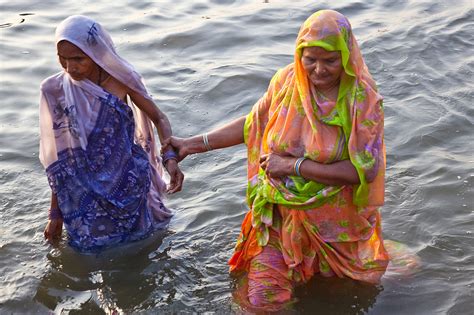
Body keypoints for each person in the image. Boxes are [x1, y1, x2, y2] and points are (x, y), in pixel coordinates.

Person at [164, 9, 389, 308]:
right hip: (279, 216)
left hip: (335, 225)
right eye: (310, 59)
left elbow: (364, 171)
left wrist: (294, 166)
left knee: (340, 300)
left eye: (330, 61)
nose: (319, 70)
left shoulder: (362, 100)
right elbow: (254, 123)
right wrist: (191, 145)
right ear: (300, 55)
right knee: (261, 301)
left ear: (346, 56)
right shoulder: (287, 81)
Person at [40, 15, 184, 252]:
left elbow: (159, 117)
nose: (70, 68)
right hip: (83, 195)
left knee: (144, 253)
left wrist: (170, 158)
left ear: (95, 53)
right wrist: (55, 214)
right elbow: (60, 160)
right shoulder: (54, 90)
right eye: (62, 59)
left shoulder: (122, 80)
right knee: (91, 256)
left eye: (78, 59)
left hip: (128, 184)